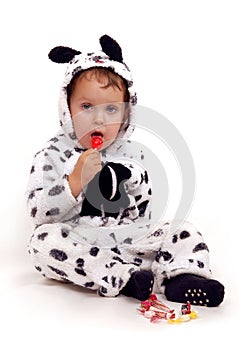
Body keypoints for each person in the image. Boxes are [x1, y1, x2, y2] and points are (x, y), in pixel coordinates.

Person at [26, 35, 224, 306]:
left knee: (181, 229)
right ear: (67, 109)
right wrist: (74, 181)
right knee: (41, 243)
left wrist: (125, 176)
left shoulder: (132, 154)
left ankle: (182, 277)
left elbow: (145, 211)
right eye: (86, 107)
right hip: (83, 245)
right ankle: (124, 278)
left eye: (110, 109)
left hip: (128, 240)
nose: (98, 118)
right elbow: (38, 214)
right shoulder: (53, 153)